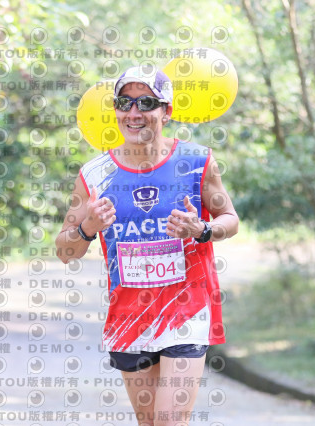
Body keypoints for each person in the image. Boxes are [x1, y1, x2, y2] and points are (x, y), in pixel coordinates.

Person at [55, 66, 239, 426]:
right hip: (129, 316)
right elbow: (64, 251)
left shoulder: (197, 161)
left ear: (166, 111)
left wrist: (202, 229)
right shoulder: (95, 175)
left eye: (146, 103)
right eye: (125, 103)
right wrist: (88, 227)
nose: (134, 113)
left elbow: (229, 219)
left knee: (169, 421)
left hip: (186, 310)